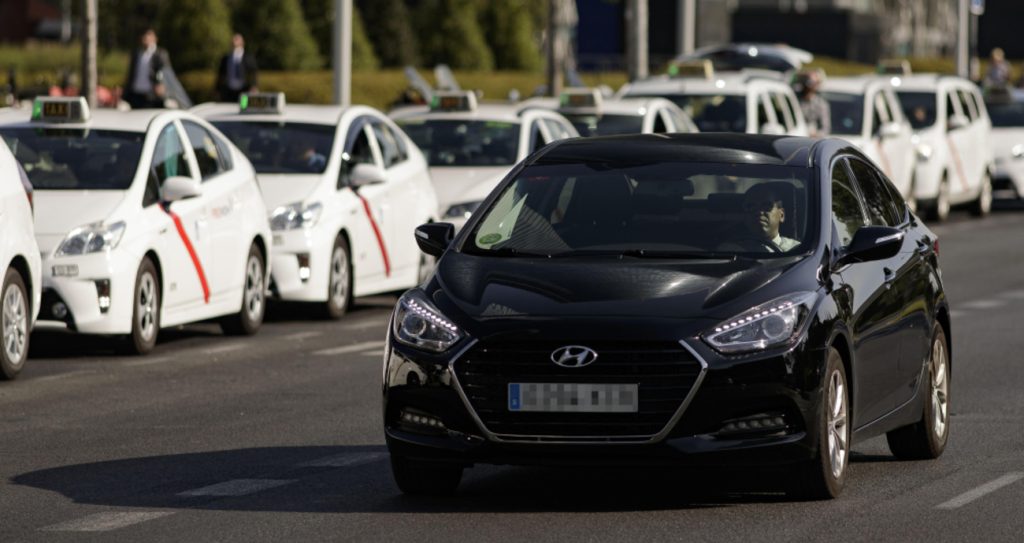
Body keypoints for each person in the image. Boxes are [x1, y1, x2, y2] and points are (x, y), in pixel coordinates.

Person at [720, 184, 799, 253]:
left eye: (767, 206)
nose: (759, 212)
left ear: (781, 215)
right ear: (745, 216)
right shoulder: (730, 251)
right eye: (751, 207)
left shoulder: (797, 250)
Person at [123, 28, 171, 109]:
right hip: (136, 94)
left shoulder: (160, 53)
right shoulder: (137, 53)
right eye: (144, 36)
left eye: (149, 35)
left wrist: (161, 83)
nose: (146, 38)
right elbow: (131, 73)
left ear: (155, 38)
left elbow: (164, 72)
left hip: (152, 95)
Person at [215, 33, 259, 103]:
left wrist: (254, 86)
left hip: (244, 91)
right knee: (228, 109)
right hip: (228, 91)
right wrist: (217, 89)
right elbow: (220, 75)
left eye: (237, 39)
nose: (234, 41)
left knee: (244, 107)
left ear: (242, 42)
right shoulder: (226, 59)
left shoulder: (248, 57)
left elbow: (253, 73)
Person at [793, 69, 830, 137]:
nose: (808, 87)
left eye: (812, 83)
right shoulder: (794, 98)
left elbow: (825, 128)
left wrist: (815, 135)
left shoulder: (820, 104)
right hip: (795, 133)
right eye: (805, 83)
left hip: (811, 139)